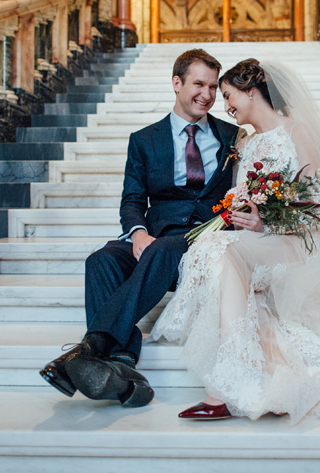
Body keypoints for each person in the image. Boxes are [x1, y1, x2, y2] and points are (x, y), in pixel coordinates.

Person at [150, 58, 320, 423]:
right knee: (219, 251)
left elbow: (318, 205)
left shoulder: (298, 131)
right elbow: (244, 199)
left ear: (251, 91)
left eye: (228, 95)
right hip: (257, 243)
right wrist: (246, 216)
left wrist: (266, 218)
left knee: (219, 250)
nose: (226, 105)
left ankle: (224, 388)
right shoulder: (245, 143)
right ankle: (259, 379)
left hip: (296, 244)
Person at [40, 49, 240, 407]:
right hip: (156, 239)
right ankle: (123, 368)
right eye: (199, 84)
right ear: (177, 83)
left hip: (208, 241)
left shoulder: (233, 137)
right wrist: (138, 233)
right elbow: (132, 200)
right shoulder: (144, 140)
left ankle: (90, 350)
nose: (207, 95)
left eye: (213, 87)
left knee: (164, 249)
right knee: (100, 260)